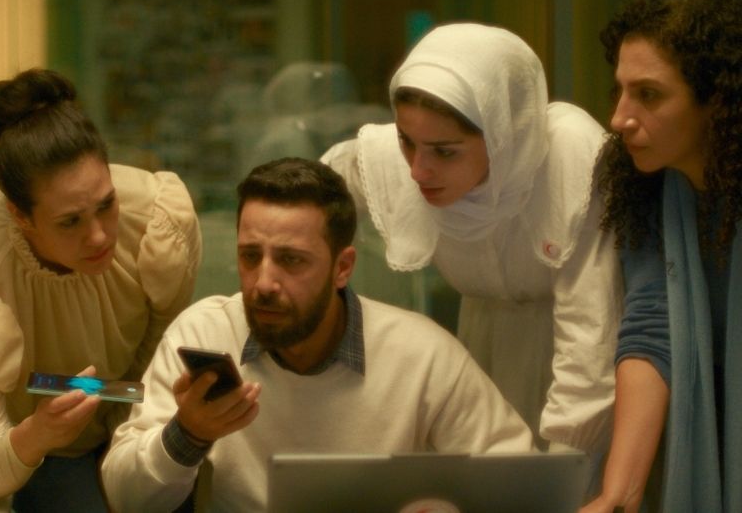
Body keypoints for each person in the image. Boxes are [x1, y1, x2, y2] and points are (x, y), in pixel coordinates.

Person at [101, 157, 533, 512]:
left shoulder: (421, 354)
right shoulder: (206, 333)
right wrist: (187, 435)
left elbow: (520, 482)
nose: (263, 283)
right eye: (250, 256)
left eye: (291, 260)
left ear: (342, 267)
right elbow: (126, 499)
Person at [321, 23, 622, 460]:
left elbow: (590, 339)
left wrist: (560, 471)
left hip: (572, 372)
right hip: (476, 356)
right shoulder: (400, 155)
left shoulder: (570, 158)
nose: (417, 171)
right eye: (406, 141)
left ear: (502, 136)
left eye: (445, 152)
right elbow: (309, 197)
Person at [0, 69, 202, 510]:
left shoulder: (155, 219)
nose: (99, 236)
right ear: (21, 216)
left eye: (107, 204)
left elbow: (159, 349)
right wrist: (39, 433)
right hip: (49, 454)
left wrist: (130, 421)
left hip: (143, 422)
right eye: (70, 222)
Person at [581, 0, 742, 513]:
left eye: (648, 95)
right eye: (620, 91)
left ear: (717, 101)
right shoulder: (638, 180)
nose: (619, 118)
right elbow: (653, 328)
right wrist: (618, 494)